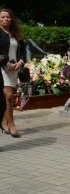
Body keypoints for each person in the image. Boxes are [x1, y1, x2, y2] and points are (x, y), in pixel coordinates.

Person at [0, 8, 26, 138]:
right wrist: (6, 63)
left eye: (8, 17)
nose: (5, 19)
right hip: (2, 68)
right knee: (9, 96)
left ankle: (4, 122)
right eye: (3, 17)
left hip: (14, 68)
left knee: (8, 98)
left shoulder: (16, 34)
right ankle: (11, 124)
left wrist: (20, 62)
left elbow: (23, 51)